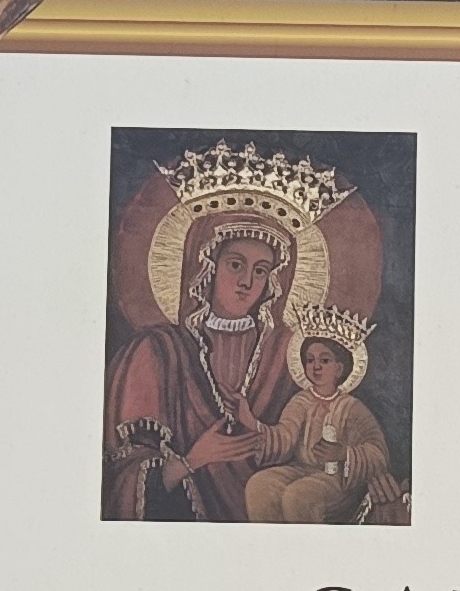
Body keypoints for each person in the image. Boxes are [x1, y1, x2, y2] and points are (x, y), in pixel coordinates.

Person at [102, 217, 299, 520]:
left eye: (260, 271)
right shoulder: (157, 351)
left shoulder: (290, 356)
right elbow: (123, 476)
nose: (247, 282)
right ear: (207, 267)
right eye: (235, 265)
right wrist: (193, 460)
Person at [244, 332, 404, 523]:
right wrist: (251, 422)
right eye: (310, 360)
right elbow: (284, 436)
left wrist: (344, 453)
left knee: (298, 496)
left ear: (339, 368)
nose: (316, 366)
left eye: (325, 360)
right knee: (259, 485)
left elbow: (377, 452)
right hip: (301, 469)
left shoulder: (352, 407)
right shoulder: (300, 401)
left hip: (337, 479)